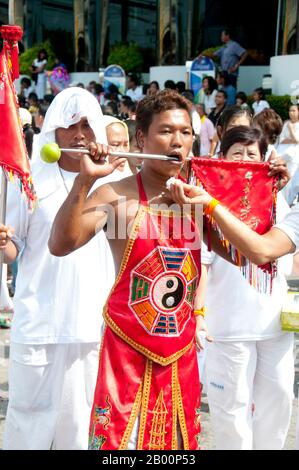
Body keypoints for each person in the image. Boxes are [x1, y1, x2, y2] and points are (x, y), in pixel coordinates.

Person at [48, 89, 203, 450]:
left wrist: (265, 187)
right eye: (165, 131)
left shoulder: (200, 197)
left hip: (181, 351)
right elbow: (60, 244)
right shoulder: (114, 194)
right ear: (141, 139)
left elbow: (252, 251)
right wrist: (85, 181)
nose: (176, 141)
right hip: (126, 350)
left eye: (185, 133)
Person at [2, 87, 116, 450]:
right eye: (69, 126)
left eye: (87, 125)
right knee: (27, 426)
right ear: (52, 130)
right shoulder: (27, 180)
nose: (79, 134)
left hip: (91, 328)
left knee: (81, 431)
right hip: (39, 326)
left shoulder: (113, 182)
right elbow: (10, 250)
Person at [198, 126, 294, 450]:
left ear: (265, 158)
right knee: (232, 413)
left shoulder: (278, 196)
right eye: (236, 153)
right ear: (221, 158)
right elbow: (204, 264)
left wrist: (282, 187)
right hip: (228, 325)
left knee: (278, 403)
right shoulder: (209, 201)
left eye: (251, 153)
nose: (244, 159)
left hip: (274, 323)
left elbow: (282, 249)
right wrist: (199, 315)